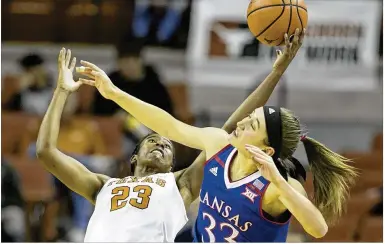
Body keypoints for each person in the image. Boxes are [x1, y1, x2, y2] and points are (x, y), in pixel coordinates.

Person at [78, 28, 358, 242]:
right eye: (250, 117)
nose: (243, 121)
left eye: (252, 125)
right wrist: (114, 93)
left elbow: (318, 228)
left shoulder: (274, 187)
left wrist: (278, 181)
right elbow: (168, 125)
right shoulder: (219, 144)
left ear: (267, 150)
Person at [37, 29, 299, 242]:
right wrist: (61, 92)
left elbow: (228, 128)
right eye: (151, 141)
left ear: (172, 165)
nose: (160, 143)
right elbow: (46, 152)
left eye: (166, 145)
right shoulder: (102, 186)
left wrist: (275, 73)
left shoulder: (179, 184)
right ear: (134, 157)